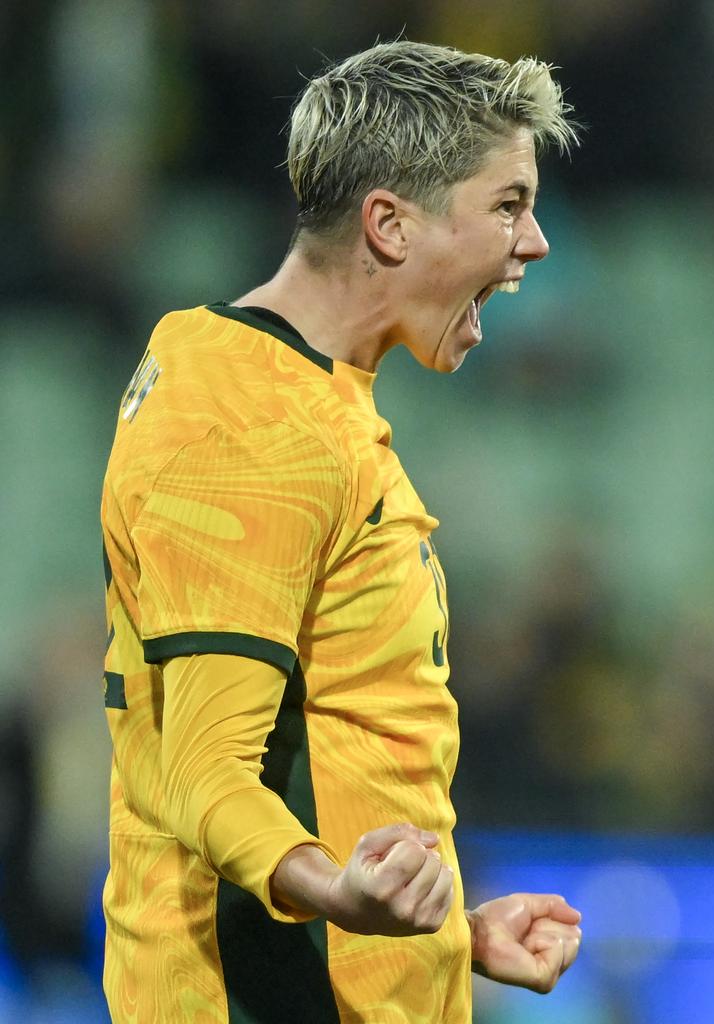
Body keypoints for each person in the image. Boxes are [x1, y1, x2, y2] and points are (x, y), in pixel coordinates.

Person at [100, 40, 582, 1024]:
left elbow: (329, 741)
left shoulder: (304, 403)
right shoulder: (252, 427)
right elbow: (204, 769)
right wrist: (338, 896)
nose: (533, 243)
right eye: (506, 205)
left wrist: (442, 934)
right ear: (390, 226)